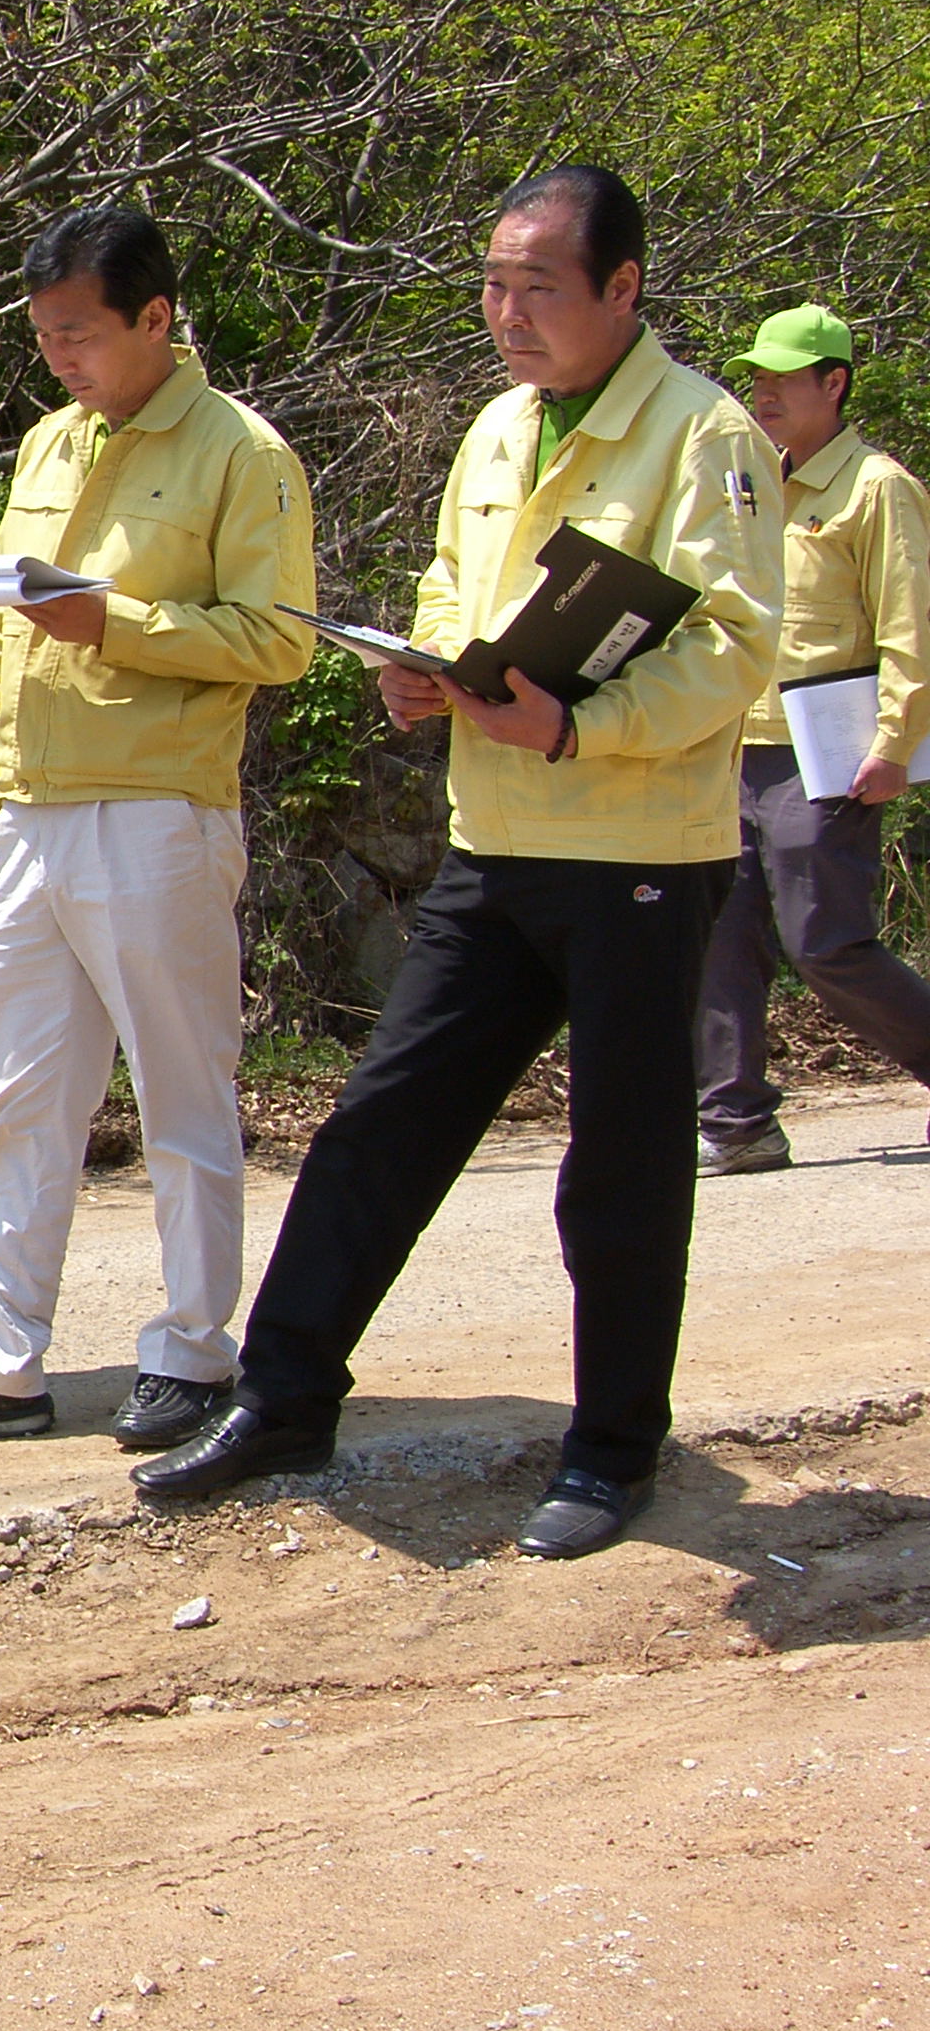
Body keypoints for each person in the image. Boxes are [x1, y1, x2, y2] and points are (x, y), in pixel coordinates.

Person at [139, 165, 783, 1560]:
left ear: (623, 287)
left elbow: (736, 650)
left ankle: (612, 1451)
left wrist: (583, 724)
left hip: (638, 852)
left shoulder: (704, 436)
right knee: (383, 1120)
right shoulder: (495, 429)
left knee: (619, 1165)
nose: (507, 313)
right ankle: (287, 1393)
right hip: (495, 843)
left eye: (538, 286)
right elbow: (451, 585)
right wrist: (421, 673)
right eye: (493, 284)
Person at [0, 207, 316, 1455]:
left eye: (79, 335)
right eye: (44, 338)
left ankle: (190, 1349)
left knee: (183, 1087)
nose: (59, 359)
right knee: (11, 1091)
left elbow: (278, 639)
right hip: (32, 818)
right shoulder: (46, 448)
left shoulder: (242, 452)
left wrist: (115, 624)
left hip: (158, 810)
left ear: (155, 319)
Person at [694, 303, 930, 1170]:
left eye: (784, 378)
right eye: (757, 377)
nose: (764, 392)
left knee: (823, 941)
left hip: (824, 751)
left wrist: (897, 741)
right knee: (719, 933)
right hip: (729, 743)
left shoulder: (878, 488)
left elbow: (914, 625)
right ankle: (737, 1122)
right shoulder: (748, 482)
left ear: (834, 382)